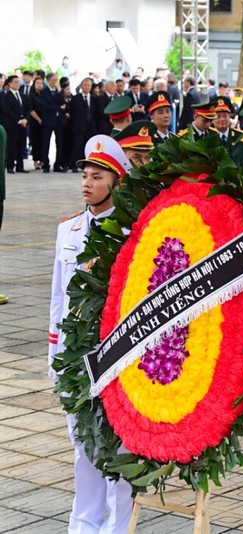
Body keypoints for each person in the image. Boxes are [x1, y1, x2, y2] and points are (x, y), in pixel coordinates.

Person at [49, 134, 134, 533]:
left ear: (116, 182)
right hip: (75, 362)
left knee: (118, 452)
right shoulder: (68, 230)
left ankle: (116, 528)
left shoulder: (131, 234)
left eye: (97, 175)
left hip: (115, 359)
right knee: (84, 449)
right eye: (85, 173)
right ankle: (83, 526)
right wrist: (54, 358)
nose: (86, 182)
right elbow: (57, 300)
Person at [3, 75, 28, 173]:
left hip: (23, 125)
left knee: (21, 145)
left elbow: (27, 108)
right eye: (15, 82)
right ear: (10, 83)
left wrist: (25, 119)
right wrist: (18, 120)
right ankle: (10, 166)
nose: (18, 84)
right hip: (12, 125)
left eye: (18, 82)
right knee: (11, 146)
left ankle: (20, 166)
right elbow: (7, 111)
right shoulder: (6, 96)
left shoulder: (22, 95)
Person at [27, 77, 45, 170]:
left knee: (44, 141)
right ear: (34, 84)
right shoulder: (31, 96)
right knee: (35, 141)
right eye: (37, 83)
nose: (39, 85)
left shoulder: (45, 95)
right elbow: (31, 110)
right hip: (34, 121)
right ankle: (35, 160)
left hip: (45, 121)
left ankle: (43, 160)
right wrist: (39, 119)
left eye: (41, 83)